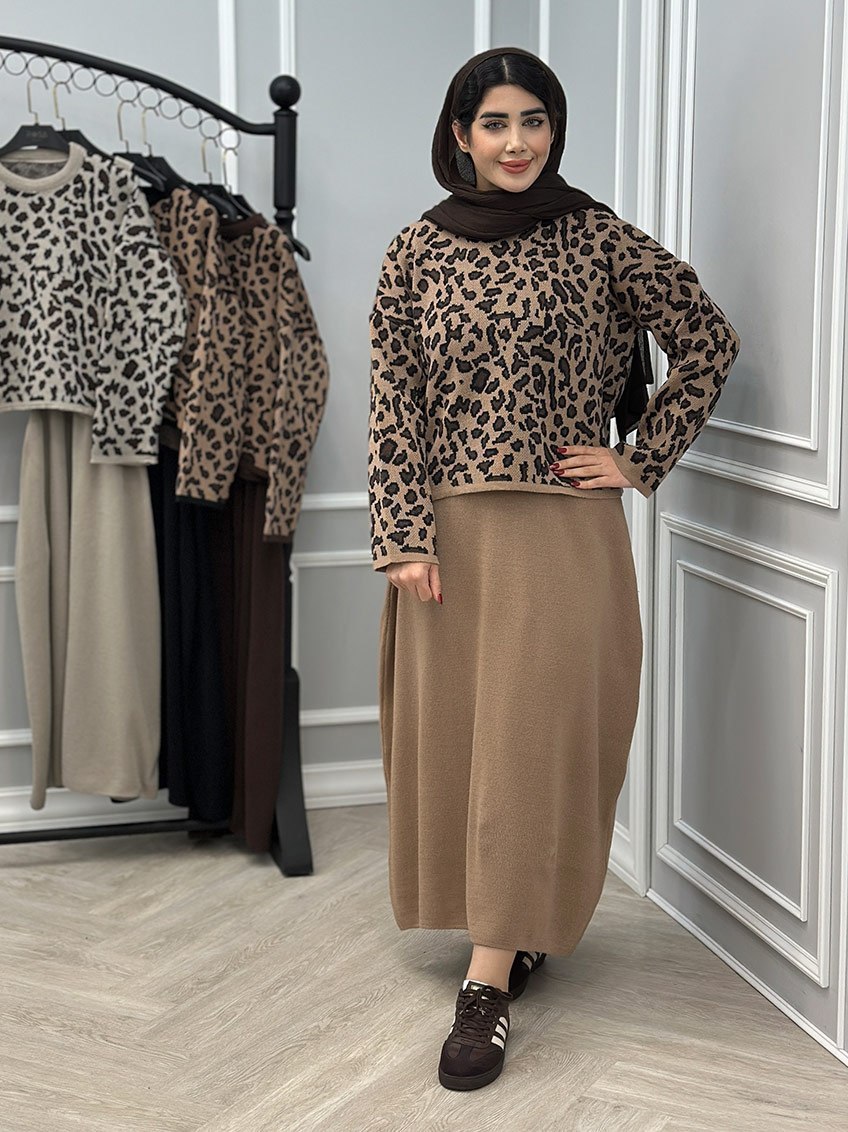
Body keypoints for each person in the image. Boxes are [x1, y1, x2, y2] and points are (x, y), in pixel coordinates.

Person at [367, 46, 741, 1092]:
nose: (516, 141)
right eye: (494, 122)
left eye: (533, 120)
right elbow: (393, 398)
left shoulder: (595, 235)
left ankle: (484, 986)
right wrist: (402, 532)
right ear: (459, 134)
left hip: (562, 538)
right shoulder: (414, 251)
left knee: (530, 748)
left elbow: (707, 338)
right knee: (459, 748)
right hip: (448, 536)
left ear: (554, 128)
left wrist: (638, 456)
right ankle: (510, 929)